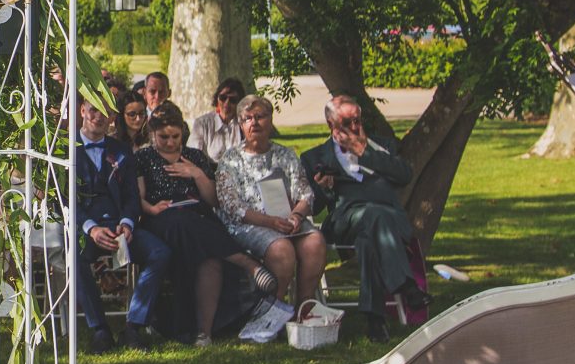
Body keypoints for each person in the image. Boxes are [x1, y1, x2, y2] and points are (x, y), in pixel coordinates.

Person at [303, 96, 427, 341]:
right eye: (347, 122)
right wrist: (325, 188)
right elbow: (313, 207)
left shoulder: (381, 146)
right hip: (344, 219)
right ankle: (406, 285)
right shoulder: (314, 156)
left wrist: (365, 151)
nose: (354, 126)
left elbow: (404, 175)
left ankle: (375, 318)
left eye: (357, 120)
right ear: (331, 124)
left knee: (368, 240)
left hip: (385, 223)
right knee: (372, 214)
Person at [136, 107, 241, 347]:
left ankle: (204, 331)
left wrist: (197, 174)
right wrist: (152, 209)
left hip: (199, 217)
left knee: (210, 259)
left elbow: (213, 200)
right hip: (161, 218)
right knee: (180, 222)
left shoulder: (195, 156)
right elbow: (139, 197)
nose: (171, 142)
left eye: (175, 136)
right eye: (164, 137)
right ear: (153, 134)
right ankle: (244, 260)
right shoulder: (143, 158)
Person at [72, 98, 168, 352]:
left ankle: (133, 326)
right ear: (82, 110)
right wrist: (91, 228)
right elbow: (63, 201)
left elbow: (132, 197)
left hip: (120, 229)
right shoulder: (65, 150)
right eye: (94, 110)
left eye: (106, 112)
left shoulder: (121, 150)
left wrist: (127, 224)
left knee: (159, 252)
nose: (99, 117)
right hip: (87, 231)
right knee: (75, 257)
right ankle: (99, 330)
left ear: (113, 117)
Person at [216, 94, 327, 308]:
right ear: (240, 124)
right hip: (249, 225)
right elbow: (232, 207)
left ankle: (304, 308)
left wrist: (296, 215)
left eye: (260, 116)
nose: (254, 122)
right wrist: (271, 222)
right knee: (282, 250)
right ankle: (271, 311)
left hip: (287, 222)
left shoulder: (285, 155)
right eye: (248, 118)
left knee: (315, 242)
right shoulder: (231, 159)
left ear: (270, 120)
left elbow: (305, 194)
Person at [190, 75, 248, 164]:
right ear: (217, 98)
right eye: (223, 98)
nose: (226, 103)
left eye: (232, 100)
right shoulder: (202, 124)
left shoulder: (244, 124)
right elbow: (194, 157)